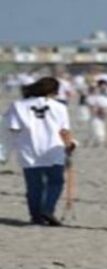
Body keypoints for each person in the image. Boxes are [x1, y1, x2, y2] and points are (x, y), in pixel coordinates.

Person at [3, 77, 77, 225]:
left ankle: (36, 216)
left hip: (28, 148)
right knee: (56, 182)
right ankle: (48, 209)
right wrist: (70, 145)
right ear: (53, 91)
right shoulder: (60, 107)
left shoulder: (18, 106)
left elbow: (12, 128)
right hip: (53, 148)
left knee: (34, 186)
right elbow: (64, 131)